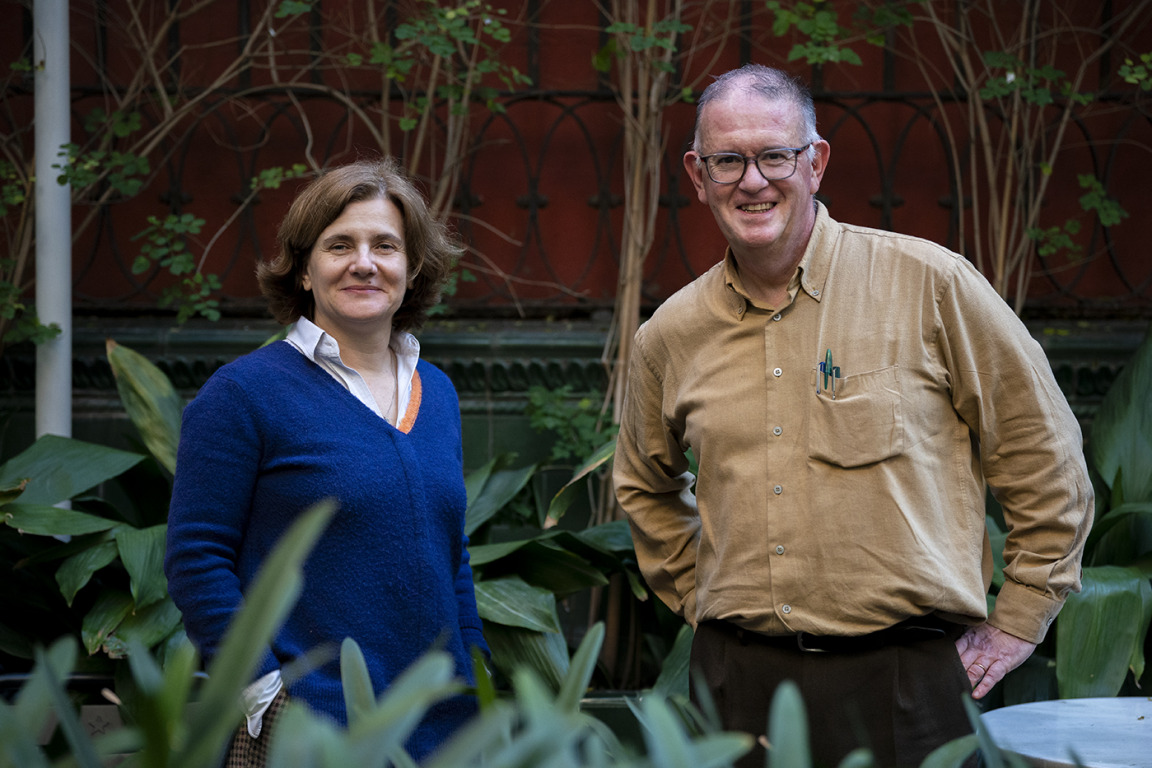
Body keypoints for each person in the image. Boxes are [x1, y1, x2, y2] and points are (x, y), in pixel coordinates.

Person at [612, 64, 1093, 768]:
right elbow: (645, 486)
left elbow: (1040, 451)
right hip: (737, 687)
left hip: (907, 684)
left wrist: (1017, 621)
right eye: (728, 160)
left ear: (816, 162)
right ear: (697, 173)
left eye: (775, 155)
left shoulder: (931, 285)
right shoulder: (670, 335)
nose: (753, 180)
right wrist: (703, 599)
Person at [165, 158, 489, 765]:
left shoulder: (437, 392)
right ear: (305, 270)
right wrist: (266, 693)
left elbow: (452, 552)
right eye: (339, 244)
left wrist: (475, 668)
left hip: (442, 728)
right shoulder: (243, 395)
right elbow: (196, 560)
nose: (363, 263)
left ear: (412, 268)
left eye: (385, 246)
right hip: (311, 733)